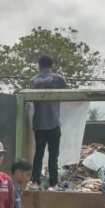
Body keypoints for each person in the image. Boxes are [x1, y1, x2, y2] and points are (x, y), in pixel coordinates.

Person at [30, 55, 68, 188]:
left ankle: (35, 181)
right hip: (53, 123)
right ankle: (53, 182)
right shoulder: (58, 79)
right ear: (52, 65)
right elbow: (68, 95)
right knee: (53, 155)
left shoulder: (33, 81)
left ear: (39, 65)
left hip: (39, 123)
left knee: (38, 154)